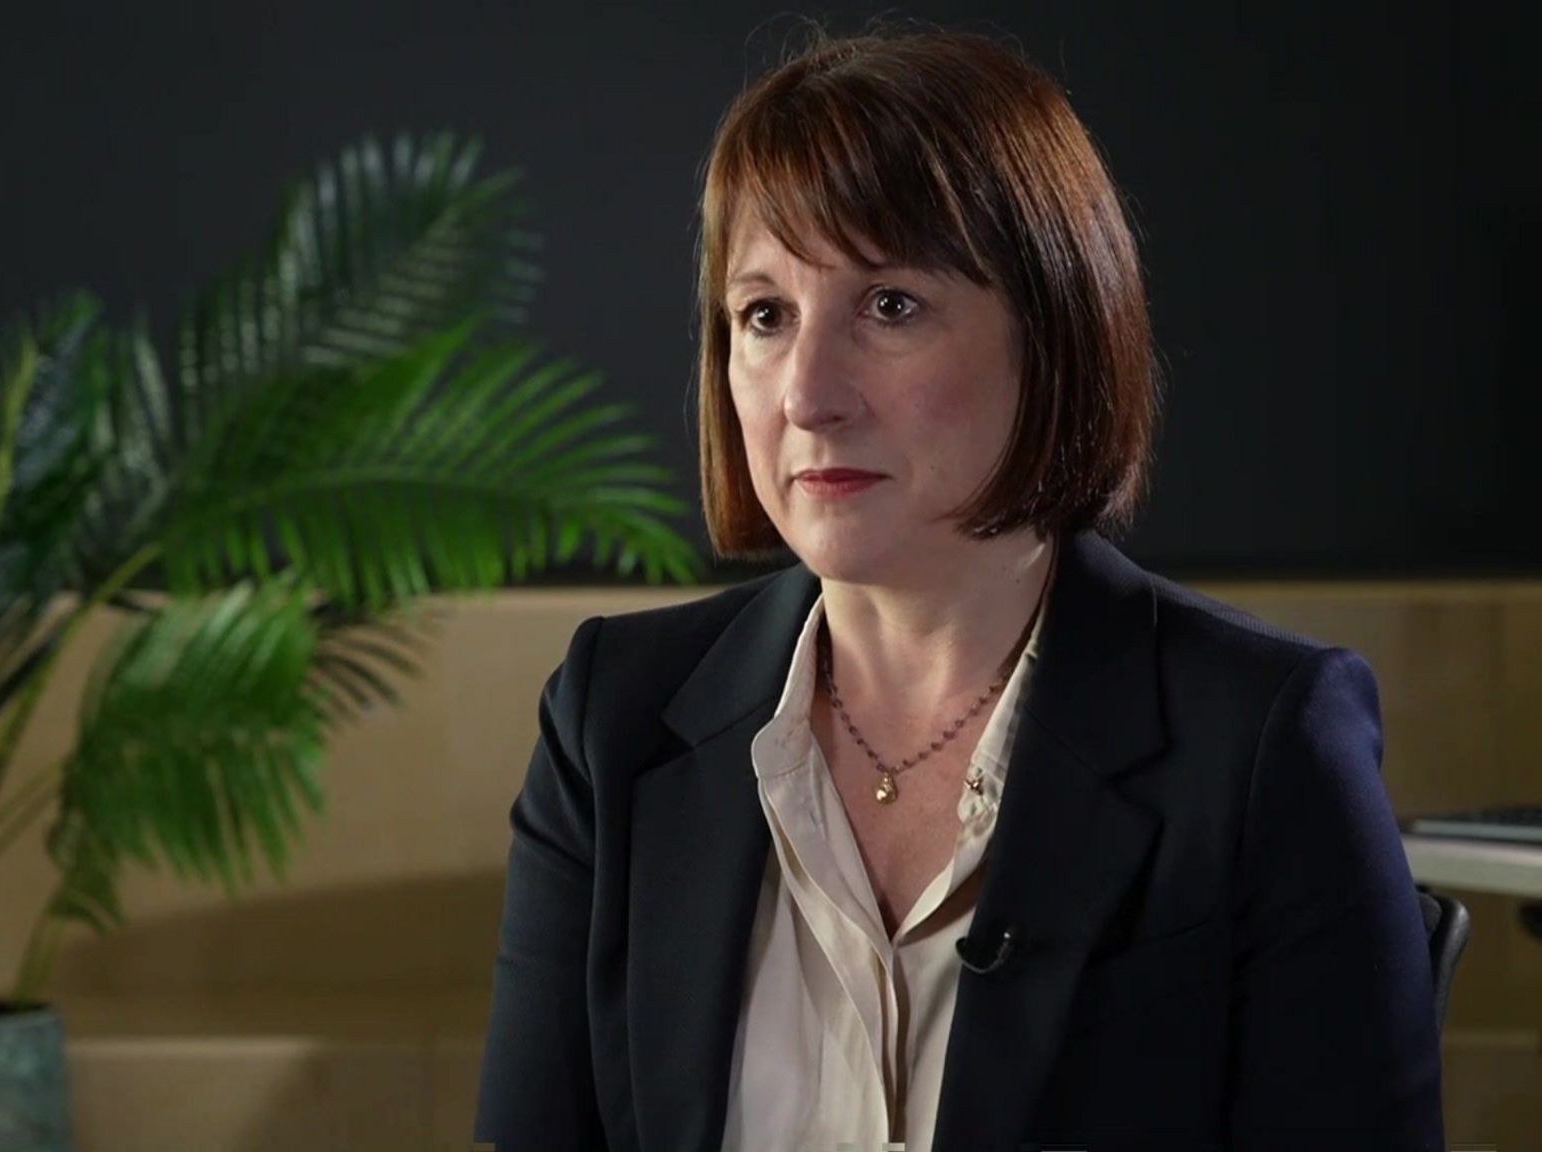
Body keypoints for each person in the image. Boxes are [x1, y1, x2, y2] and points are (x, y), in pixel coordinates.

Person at [471, 26, 1444, 1152]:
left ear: (1055, 330)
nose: (805, 395)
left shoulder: (1264, 746)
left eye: (888, 306)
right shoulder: (612, 721)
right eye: (763, 315)